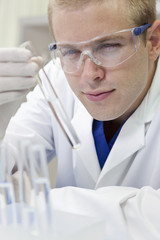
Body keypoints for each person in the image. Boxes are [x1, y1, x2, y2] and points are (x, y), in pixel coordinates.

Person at [1, 0, 160, 238]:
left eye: (109, 46)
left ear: (153, 42)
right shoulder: (56, 80)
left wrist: (40, 205)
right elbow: (10, 158)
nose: (89, 75)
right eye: (70, 51)